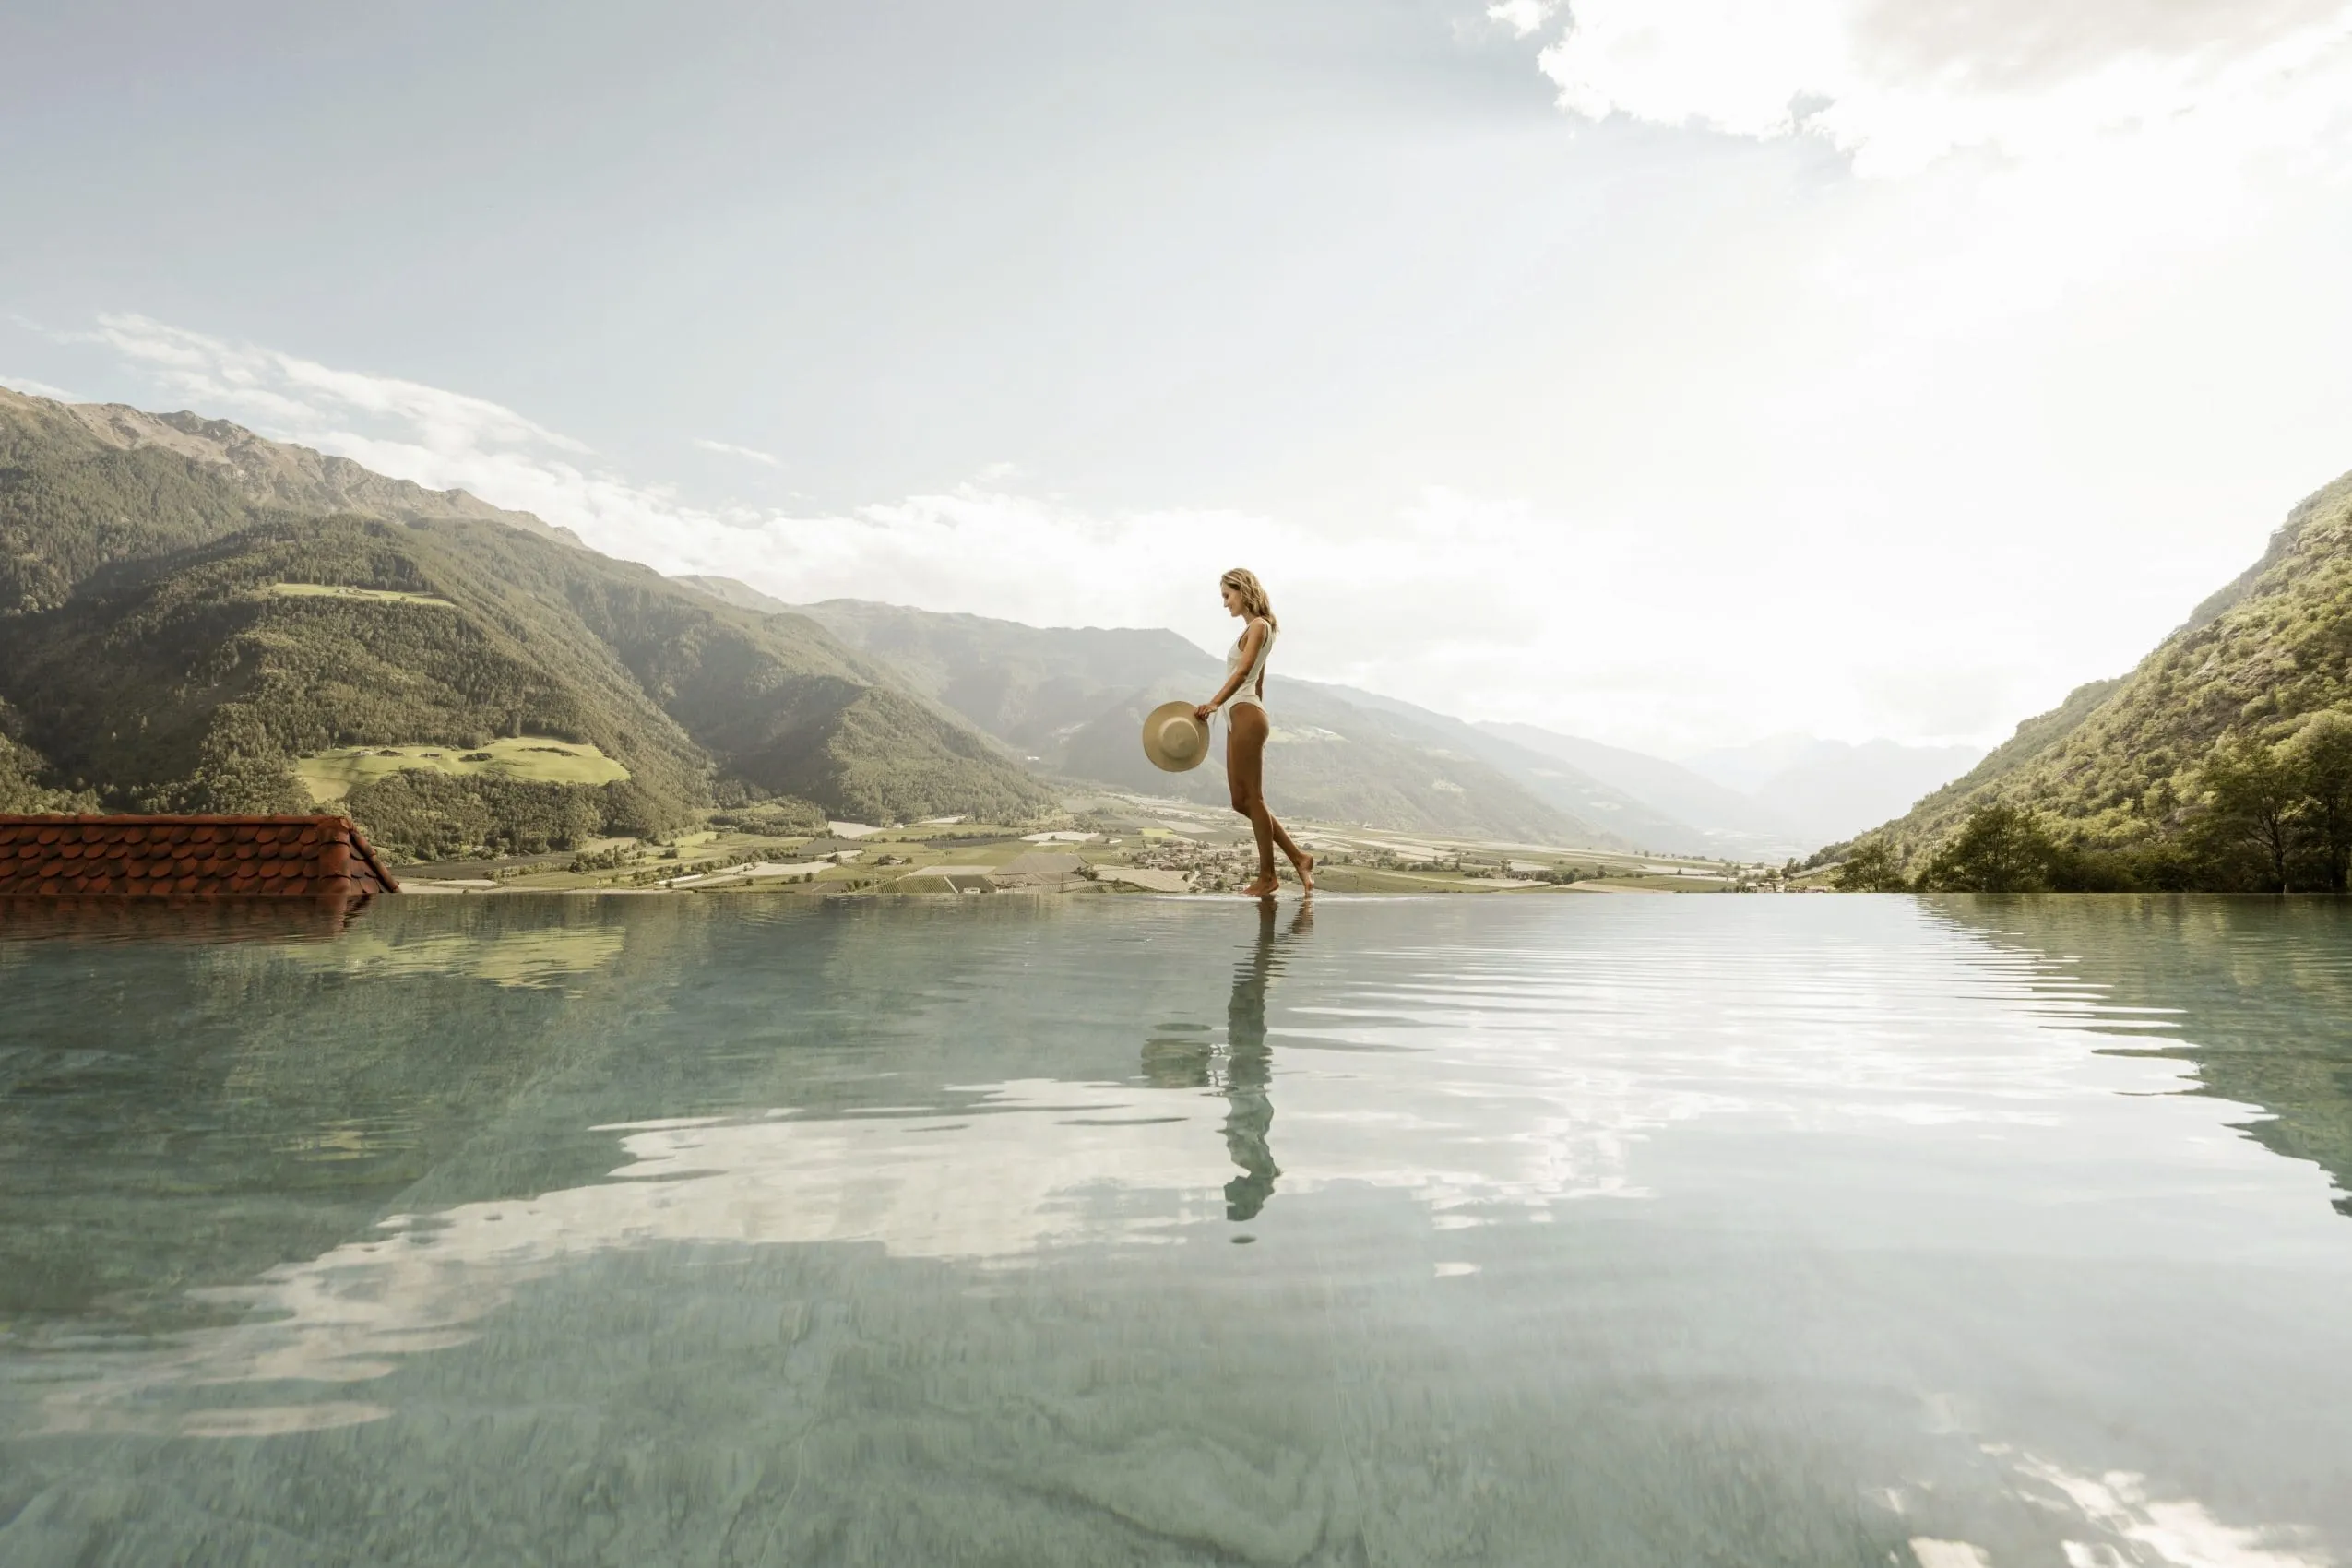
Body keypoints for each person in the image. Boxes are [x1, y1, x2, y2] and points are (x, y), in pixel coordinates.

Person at [1194, 568, 1313, 898]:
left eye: (1227, 595)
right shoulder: (1254, 629)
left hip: (1245, 712)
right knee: (1240, 801)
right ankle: (1299, 858)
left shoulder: (1259, 625)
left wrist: (1215, 703)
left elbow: (1245, 671)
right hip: (1241, 715)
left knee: (1255, 798)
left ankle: (1268, 877)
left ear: (1243, 590)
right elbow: (1258, 680)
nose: (1225, 603)